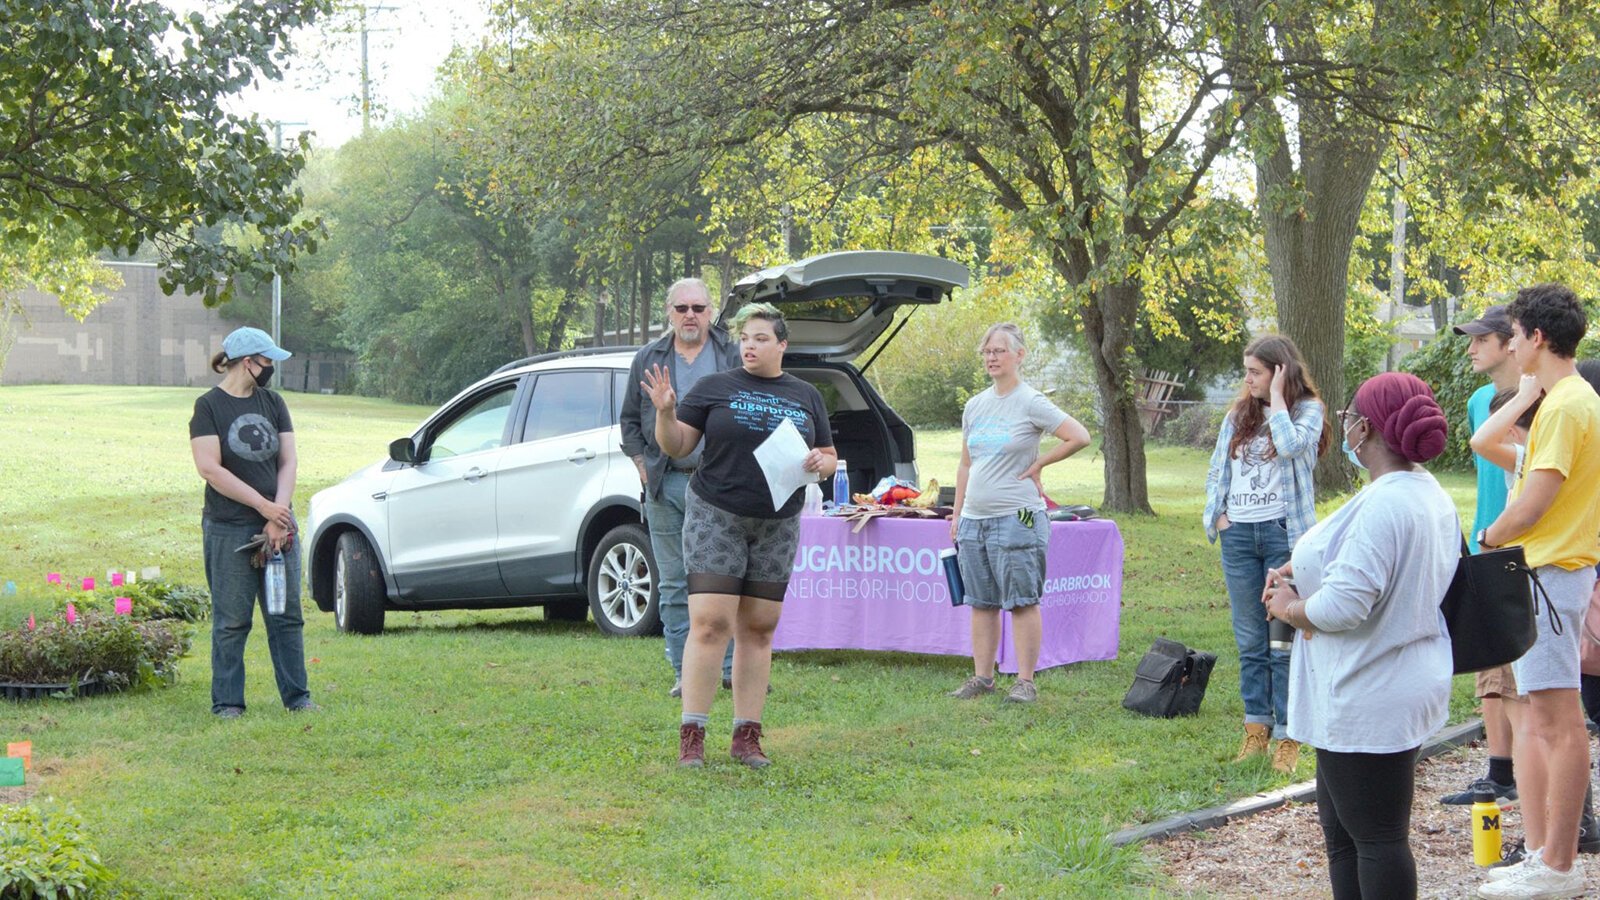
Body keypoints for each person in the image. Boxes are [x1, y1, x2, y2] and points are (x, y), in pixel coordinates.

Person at [1263, 371, 1456, 900]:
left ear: (1365, 428)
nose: (1343, 426)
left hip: (1369, 689)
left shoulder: (1387, 503)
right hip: (1382, 682)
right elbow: (1372, 568)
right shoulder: (1422, 491)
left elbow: (1347, 604)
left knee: (1375, 839)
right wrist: (1304, 569)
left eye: (1346, 418)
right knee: (1345, 834)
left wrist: (1292, 607)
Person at [643, 302, 836, 768]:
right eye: (745, 338)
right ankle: (692, 735)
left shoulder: (806, 394)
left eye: (761, 338)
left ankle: (746, 737)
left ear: (782, 345)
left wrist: (821, 462)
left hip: (778, 521)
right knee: (710, 624)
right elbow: (677, 445)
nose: (750, 345)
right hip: (717, 515)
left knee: (759, 628)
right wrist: (666, 414)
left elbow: (829, 454)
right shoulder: (714, 387)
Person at [1476, 283, 1600, 900]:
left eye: (1516, 334)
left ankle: (1557, 865)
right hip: (1550, 574)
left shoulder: (1569, 405)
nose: (1512, 344)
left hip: (1552, 575)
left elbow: (1533, 503)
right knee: (1553, 717)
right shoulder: (1565, 400)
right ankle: (1551, 856)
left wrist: (1489, 538)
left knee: (1558, 721)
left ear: (1537, 337)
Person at [1203, 334, 1329, 773]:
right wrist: (1220, 518)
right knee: (1250, 638)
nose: (1248, 379)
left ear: (1279, 371)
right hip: (1239, 536)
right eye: (1247, 372)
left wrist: (1277, 400)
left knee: (1282, 639)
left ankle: (1288, 735)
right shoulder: (1239, 414)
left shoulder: (1307, 411)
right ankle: (1255, 728)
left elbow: (1294, 447)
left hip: (1282, 536)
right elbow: (1218, 468)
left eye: (1256, 371)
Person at [947, 323, 1091, 704]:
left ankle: (1025, 681)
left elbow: (1079, 435)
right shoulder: (975, 405)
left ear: (1019, 355)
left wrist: (1040, 463)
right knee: (981, 601)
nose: (992, 358)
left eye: (999, 351)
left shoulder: (1031, 401)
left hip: (1020, 515)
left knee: (1023, 599)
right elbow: (965, 464)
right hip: (975, 519)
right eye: (987, 352)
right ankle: (983, 677)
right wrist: (958, 513)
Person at [621, 278, 739, 698]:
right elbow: (630, 423)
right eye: (682, 308)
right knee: (673, 584)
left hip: (719, 487)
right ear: (668, 313)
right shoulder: (648, 358)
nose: (691, 315)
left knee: (720, 582)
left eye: (699, 308)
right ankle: (682, 671)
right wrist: (642, 466)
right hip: (665, 485)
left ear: (711, 312)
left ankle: (726, 670)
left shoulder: (731, 354)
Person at [188, 327, 315, 718]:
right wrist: (263, 507)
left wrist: (279, 514)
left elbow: (288, 460)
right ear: (249, 362)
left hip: (278, 526)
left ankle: (298, 698)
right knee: (231, 620)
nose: (271, 368)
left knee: (286, 617)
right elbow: (209, 468)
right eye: (268, 361)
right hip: (229, 528)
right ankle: (227, 703)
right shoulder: (208, 406)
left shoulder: (273, 403)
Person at [1442, 305, 1526, 809]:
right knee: (1488, 669)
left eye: (1480, 339)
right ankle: (1500, 771)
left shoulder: (1541, 399)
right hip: (1484, 545)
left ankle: (1519, 774)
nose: (1470, 348)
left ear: (1509, 342)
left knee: (1522, 676)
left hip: (1523, 548)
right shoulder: (1478, 400)